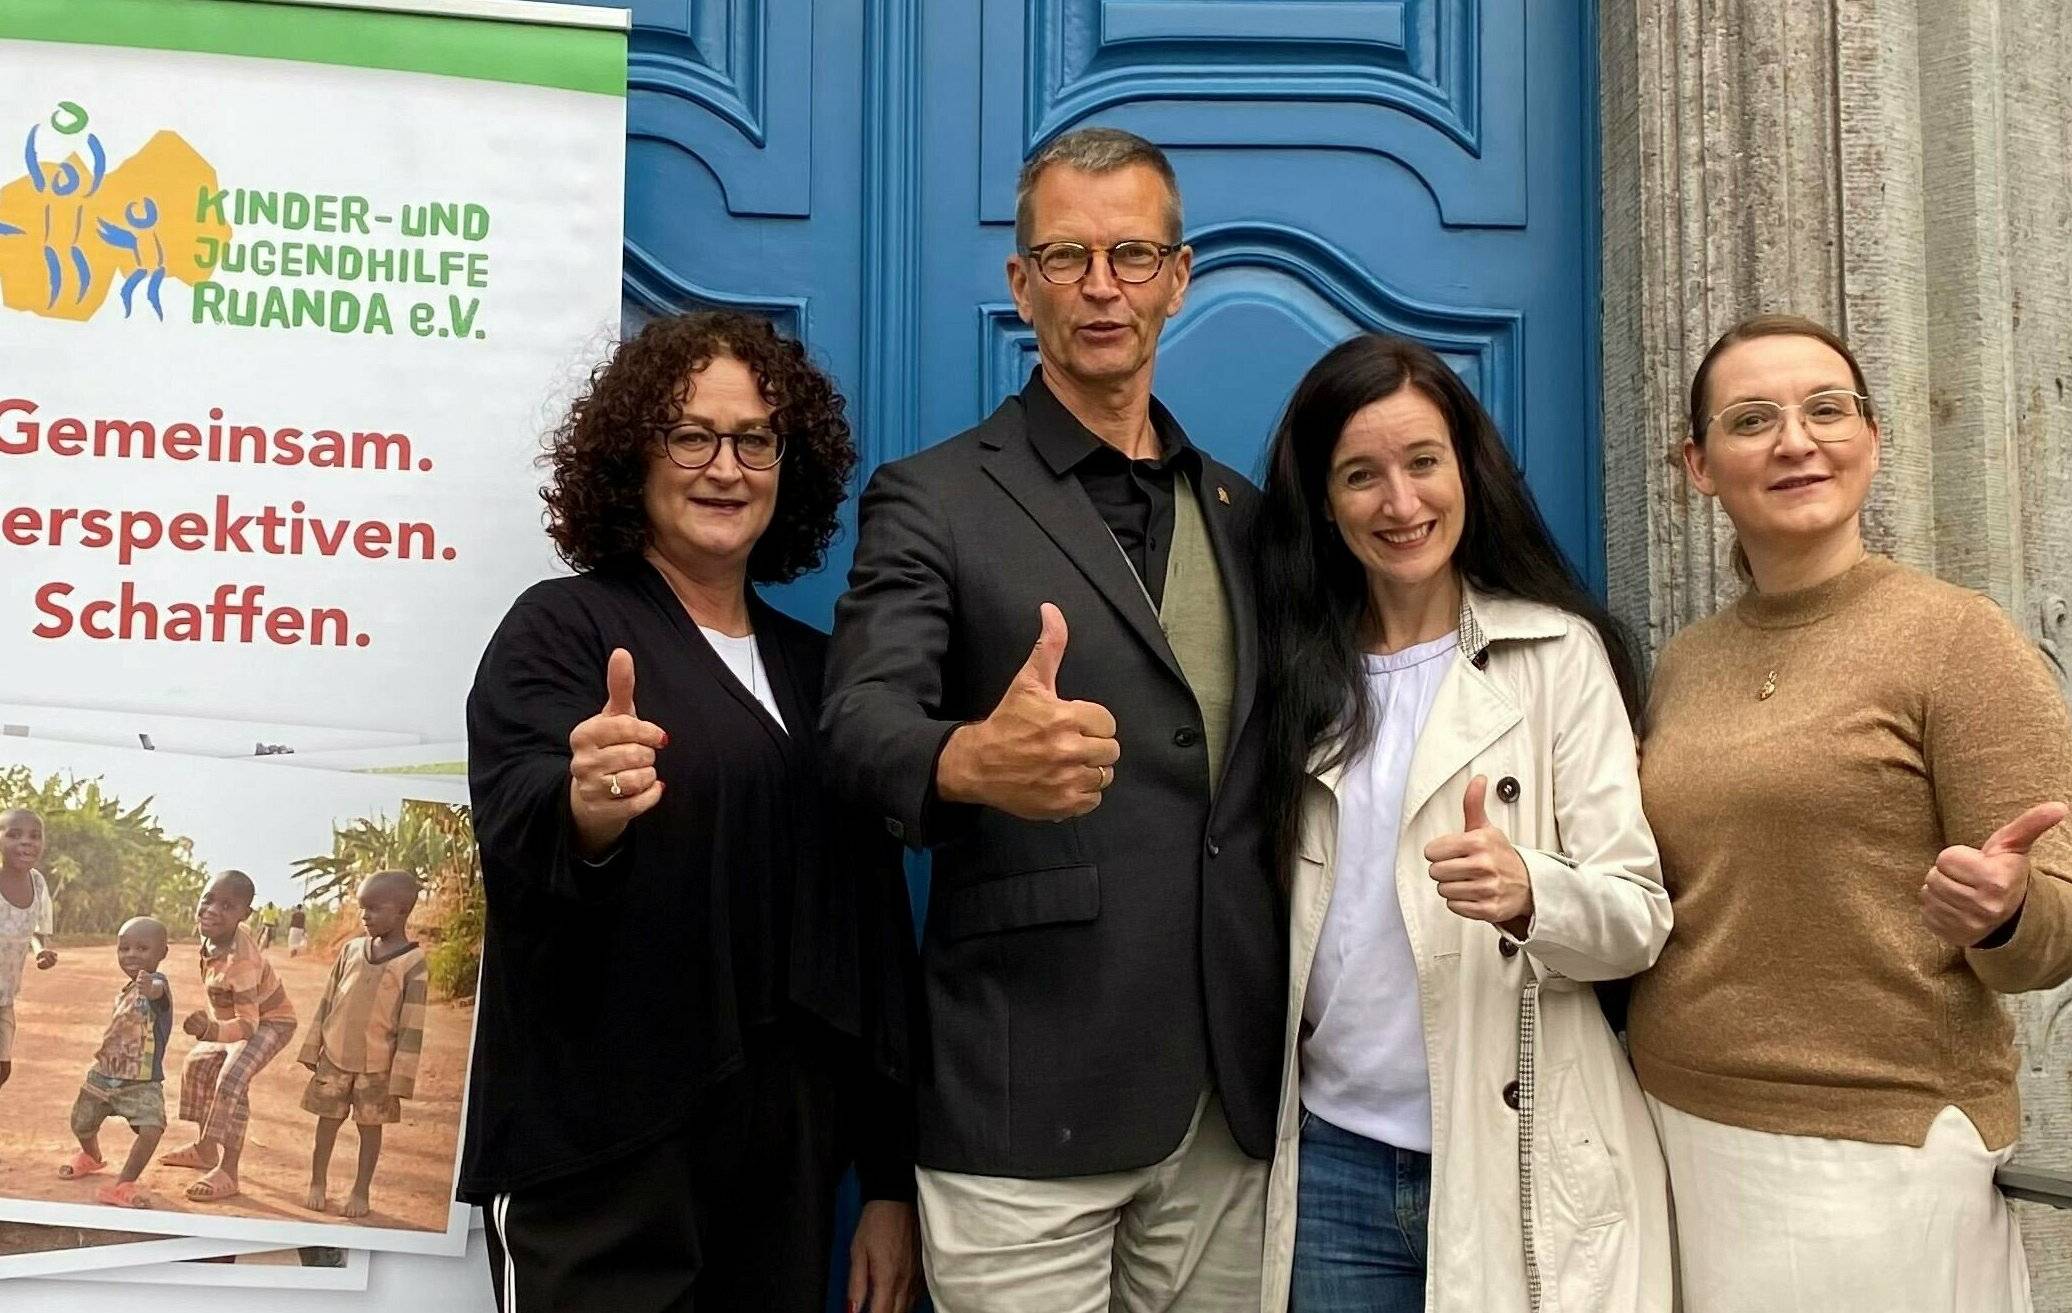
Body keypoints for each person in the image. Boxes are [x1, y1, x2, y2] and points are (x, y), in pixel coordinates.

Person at [823, 126, 1284, 1310]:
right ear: (1019, 282)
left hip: (1226, 1103)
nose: (1101, 286)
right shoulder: (931, 496)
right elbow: (858, 725)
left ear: (1178, 278)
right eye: (1066, 255)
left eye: (1131, 254)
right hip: (1020, 1098)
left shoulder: (1243, 511)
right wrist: (968, 757)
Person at [464, 310, 923, 1313]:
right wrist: (588, 802)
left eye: (754, 437)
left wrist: (889, 1177)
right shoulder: (563, 628)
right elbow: (518, 818)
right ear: (633, 454)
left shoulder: (820, 673)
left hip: (785, 1165)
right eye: (690, 434)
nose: (725, 465)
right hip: (601, 1155)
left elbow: (874, 936)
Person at [1629, 313, 2072, 1312]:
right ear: (1697, 465)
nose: (1794, 440)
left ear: (1869, 438)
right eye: (1751, 420)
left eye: (1824, 409)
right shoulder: (1688, 660)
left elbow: (2055, 914)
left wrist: (2002, 911)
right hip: (1675, 1119)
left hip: (1878, 1151)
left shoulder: (1956, 639)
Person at [1251, 334, 1673, 1312]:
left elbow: (1637, 917)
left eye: (1421, 463)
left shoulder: (1554, 657)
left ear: (1465, 470)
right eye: (1360, 475)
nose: (1399, 504)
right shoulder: (1293, 679)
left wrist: (1533, 892)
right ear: (1322, 499)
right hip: (1332, 1167)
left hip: (1517, 1154)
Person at [161, 868, 298, 1203]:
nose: (212, 910)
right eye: (208, 900)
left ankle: (229, 1171)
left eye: (227, 906)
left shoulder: (242, 963)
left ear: (243, 915)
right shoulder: (213, 935)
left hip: (271, 1022)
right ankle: (205, 1150)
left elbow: (249, 1026)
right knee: (197, 1064)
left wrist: (211, 1030)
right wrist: (214, 1033)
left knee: (233, 1078)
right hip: (233, 1022)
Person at [299, 870, 428, 1219]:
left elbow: (411, 1027)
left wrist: (400, 1079)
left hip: (377, 1069)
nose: (364, 916)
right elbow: (328, 1001)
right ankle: (317, 1183)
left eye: (373, 909)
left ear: (401, 912)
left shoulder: (413, 963)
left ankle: (359, 1192)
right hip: (336, 1059)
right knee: (325, 1125)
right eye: (362, 908)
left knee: (370, 1132)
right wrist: (312, 1048)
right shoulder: (351, 950)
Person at [58, 915, 172, 1208]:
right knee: (81, 1122)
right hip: (105, 1074)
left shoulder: (157, 983)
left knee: (151, 1129)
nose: (132, 954)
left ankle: (125, 1182)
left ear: (162, 953)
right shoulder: (125, 990)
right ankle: (91, 1156)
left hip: (141, 1081)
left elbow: (157, 990)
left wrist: (151, 988)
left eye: (142, 948)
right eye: (124, 949)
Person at [0, 807, 57, 1096]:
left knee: (2, 1067)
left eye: (35, 836)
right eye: (14, 834)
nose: (26, 842)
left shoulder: (37, 882)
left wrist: (41, 950)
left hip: (5, 995)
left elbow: (33, 928)